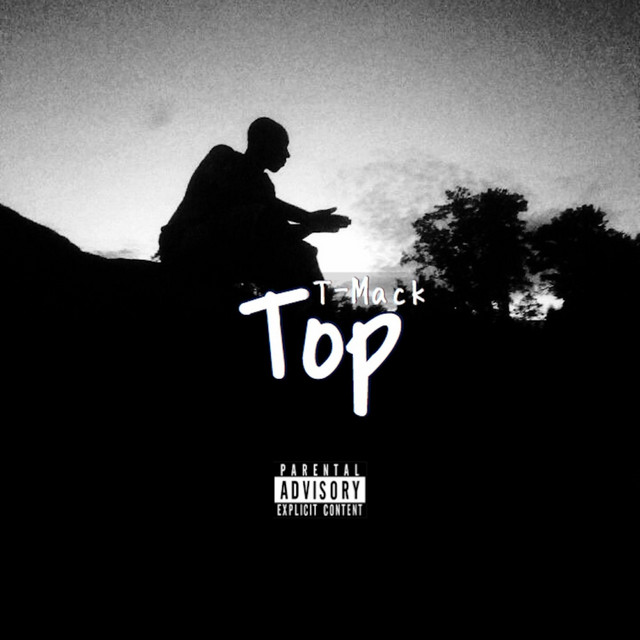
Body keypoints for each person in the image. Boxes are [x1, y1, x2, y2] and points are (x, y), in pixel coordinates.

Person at [157, 117, 350, 294]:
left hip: (227, 250)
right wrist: (307, 219)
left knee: (302, 253)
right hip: (182, 243)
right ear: (262, 143)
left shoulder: (263, 185)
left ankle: (311, 312)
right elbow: (252, 202)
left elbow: (278, 232)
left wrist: (311, 225)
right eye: (282, 146)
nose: (287, 154)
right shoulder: (223, 157)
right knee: (258, 216)